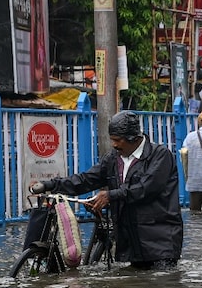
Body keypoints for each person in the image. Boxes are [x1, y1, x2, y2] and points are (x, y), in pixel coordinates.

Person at [29, 111, 183, 269]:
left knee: (161, 287)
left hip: (160, 242)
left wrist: (110, 196)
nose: (114, 145)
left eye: (117, 140)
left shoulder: (160, 156)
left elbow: (145, 188)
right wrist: (49, 185)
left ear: (134, 139)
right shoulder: (113, 159)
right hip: (132, 243)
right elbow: (85, 180)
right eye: (112, 140)